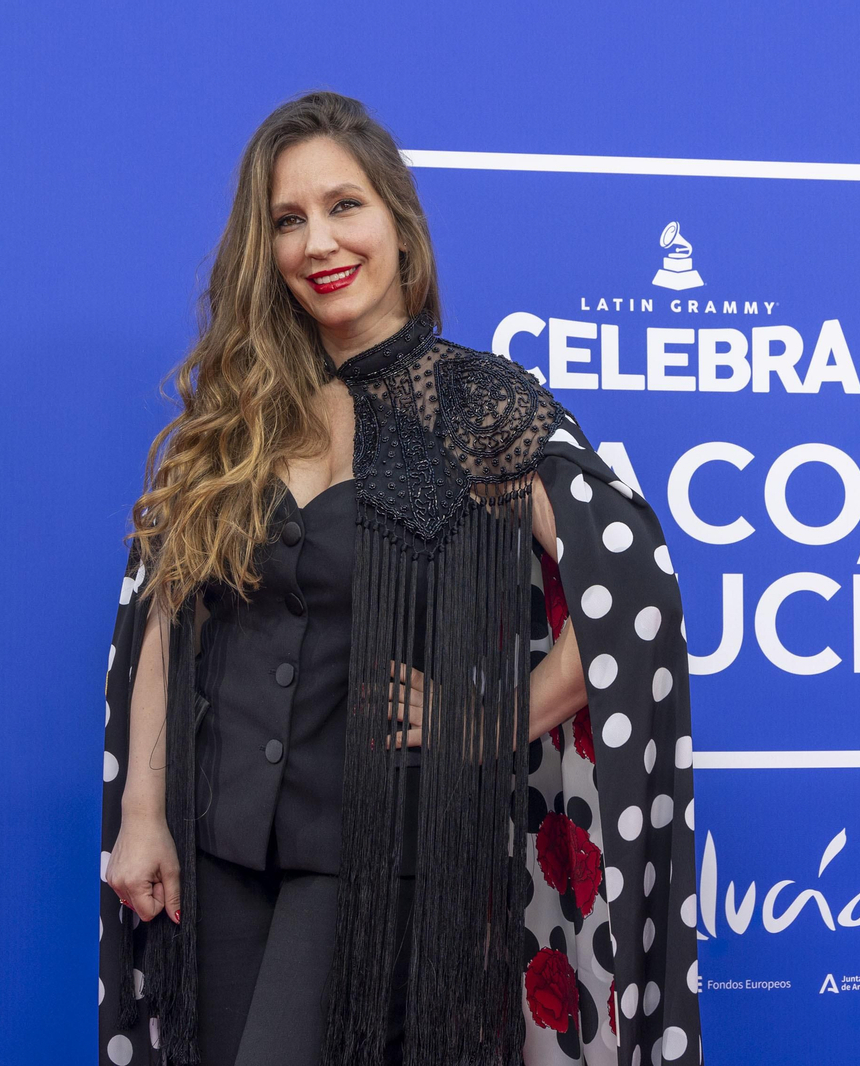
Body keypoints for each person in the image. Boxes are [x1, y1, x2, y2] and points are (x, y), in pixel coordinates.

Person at [99, 91, 700, 1066]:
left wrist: (492, 719)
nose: (318, 242)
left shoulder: (477, 407)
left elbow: (628, 594)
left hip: (379, 858)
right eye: (287, 220)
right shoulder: (235, 421)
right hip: (214, 850)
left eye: (345, 207)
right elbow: (166, 621)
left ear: (401, 229)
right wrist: (140, 819)